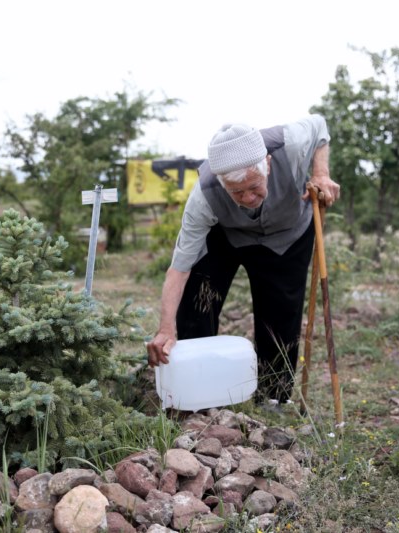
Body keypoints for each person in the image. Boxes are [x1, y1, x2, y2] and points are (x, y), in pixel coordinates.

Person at [146, 115, 341, 404]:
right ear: (222, 182)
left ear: (268, 165)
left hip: (287, 234)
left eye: (255, 186)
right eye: (237, 192)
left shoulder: (290, 143)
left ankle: (272, 396)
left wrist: (321, 172)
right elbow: (179, 268)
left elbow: (320, 126)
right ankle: (195, 388)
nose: (249, 197)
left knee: (280, 313)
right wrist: (165, 327)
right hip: (230, 233)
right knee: (199, 296)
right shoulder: (204, 196)